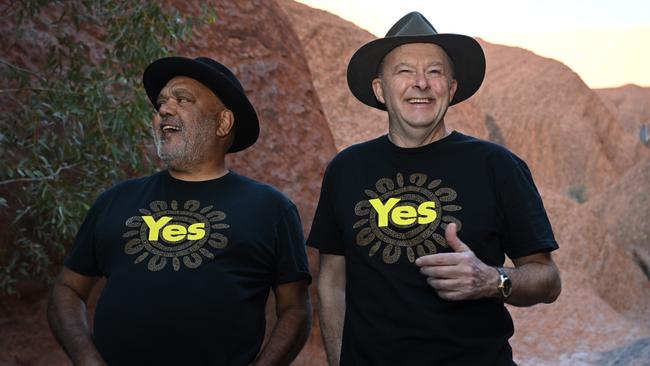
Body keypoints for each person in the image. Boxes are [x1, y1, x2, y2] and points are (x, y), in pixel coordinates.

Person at [309, 12, 561, 366]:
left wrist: (492, 279)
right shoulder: (346, 169)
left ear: (451, 88)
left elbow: (548, 279)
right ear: (380, 90)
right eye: (404, 71)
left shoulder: (497, 166)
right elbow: (331, 281)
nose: (421, 83)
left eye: (435, 71)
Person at [47, 57, 312, 366]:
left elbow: (295, 308)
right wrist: (86, 358)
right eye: (161, 103)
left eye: (182, 99)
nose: (164, 109)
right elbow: (67, 288)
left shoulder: (271, 209)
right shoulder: (115, 200)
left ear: (223, 123)